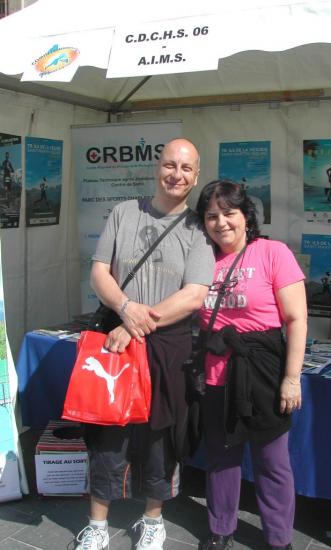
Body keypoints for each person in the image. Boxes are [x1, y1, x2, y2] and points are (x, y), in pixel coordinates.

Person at [75, 138, 215, 550]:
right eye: (170, 164)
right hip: (116, 341)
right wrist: (125, 307)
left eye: (186, 168)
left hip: (166, 346)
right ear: (157, 167)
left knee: (160, 436)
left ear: (196, 175)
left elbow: (194, 294)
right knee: (107, 433)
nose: (177, 174)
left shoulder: (198, 229)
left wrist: (137, 323)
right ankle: (97, 525)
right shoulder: (124, 212)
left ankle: (153, 519)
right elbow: (100, 272)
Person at [196, 180, 307, 550]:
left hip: (262, 371)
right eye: (211, 215)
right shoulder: (200, 258)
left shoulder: (273, 253)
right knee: (221, 457)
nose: (221, 222)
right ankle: (221, 529)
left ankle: (279, 538)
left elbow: (296, 319)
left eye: (229, 213)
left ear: (247, 217)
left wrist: (292, 378)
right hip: (216, 374)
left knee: (272, 461)